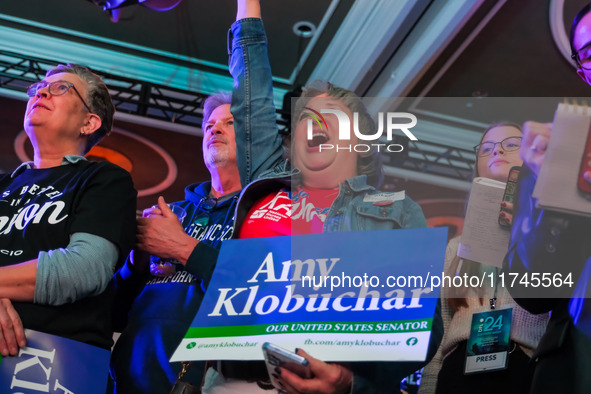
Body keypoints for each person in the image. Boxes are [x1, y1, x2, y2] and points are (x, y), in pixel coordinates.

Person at [201, 81, 441, 393]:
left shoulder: (396, 212)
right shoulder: (258, 196)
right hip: (232, 381)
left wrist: (351, 382)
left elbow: (423, 329)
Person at [109, 0, 284, 392]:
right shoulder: (172, 211)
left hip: (211, 382)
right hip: (129, 379)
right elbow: (114, 312)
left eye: (230, 122)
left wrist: (184, 249)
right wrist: (136, 261)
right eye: (209, 123)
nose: (214, 129)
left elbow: (267, 289)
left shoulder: (266, 212)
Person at [0, 63, 137, 355]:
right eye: (38, 89)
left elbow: (83, 269)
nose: (42, 93)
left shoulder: (104, 180)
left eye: (60, 88)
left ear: (88, 123)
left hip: (56, 362)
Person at [418, 123, 549, 394]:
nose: (497, 151)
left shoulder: (549, 242)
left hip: (526, 369)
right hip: (458, 372)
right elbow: (437, 336)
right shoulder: (454, 249)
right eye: (486, 148)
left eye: (511, 144)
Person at [503, 4, 591, 393]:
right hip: (576, 364)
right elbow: (532, 294)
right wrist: (549, 195)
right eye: (589, 52)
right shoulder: (554, 152)